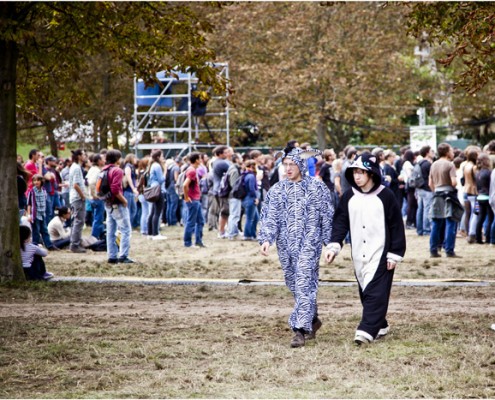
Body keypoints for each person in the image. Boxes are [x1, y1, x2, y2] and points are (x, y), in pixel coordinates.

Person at [325, 152, 406, 346]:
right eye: (355, 172)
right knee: (366, 290)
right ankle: (381, 324)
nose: (357, 176)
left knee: (375, 291)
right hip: (358, 255)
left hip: (381, 253)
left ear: (371, 173)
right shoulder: (348, 196)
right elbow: (340, 222)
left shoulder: (386, 196)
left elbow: (396, 226)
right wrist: (334, 246)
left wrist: (395, 254)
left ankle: (366, 330)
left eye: (362, 172)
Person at [259, 146, 334, 348]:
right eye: (285, 165)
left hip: (310, 241)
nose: (288, 168)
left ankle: (299, 330)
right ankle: (313, 318)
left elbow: (327, 216)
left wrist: (330, 243)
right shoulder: (277, 190)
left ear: (301, 165)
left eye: (292, 164)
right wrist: (266, 239)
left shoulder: (317, 188)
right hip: (285, 244)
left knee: (303, 280)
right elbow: (270, 216)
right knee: (295, 282)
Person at [429, 143, 463, 258]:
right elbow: (454, 182)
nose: (453, 153)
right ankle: (449, 250)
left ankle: (433, 250)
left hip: (437, 194)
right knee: (450, 223)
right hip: (449, 195)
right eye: (451, 151)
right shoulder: (450, 165)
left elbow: (430, 183)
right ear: (447, 152)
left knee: (436, 223)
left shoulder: (433, 164)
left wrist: (436, 191)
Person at [103, 149, 135, 264]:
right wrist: (124, 200)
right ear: (117, 159)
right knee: (126, 230)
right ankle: (123, 255)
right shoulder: (117, 170)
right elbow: (115, 189)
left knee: (111, 230)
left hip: (107, 203)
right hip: (117, 203)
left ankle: (112, 256)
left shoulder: (104, 169)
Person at [26, 174, 57, 251]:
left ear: (41, 181)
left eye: (38, 180)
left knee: (44, 230)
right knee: (36, 231)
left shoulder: (44, 191)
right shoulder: (32, 191)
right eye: (34, 180)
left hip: (42, 214)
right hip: (35, 214)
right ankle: (34, 245)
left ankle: (49, 245)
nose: (36, 182)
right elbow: (29, 204)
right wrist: (29, 214)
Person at [183, 152, 205, 248]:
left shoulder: (192, 170)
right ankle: (187, 243)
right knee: (191, 222)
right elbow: (185, 185)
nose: (201, 160)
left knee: (200, 221)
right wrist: (186, 197)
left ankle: (198, 241)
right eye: (200, 158)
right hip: (193, 200)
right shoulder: (192, 171)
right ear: (196, 160)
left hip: (196, 199)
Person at [69, 149, 88, 253]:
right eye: (84, 155)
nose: (85, 156)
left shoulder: (74, 167)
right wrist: (82, 196)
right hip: (77, 198)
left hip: (75, 198)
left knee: (76, 221)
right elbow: (76, 184)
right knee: (79, 221)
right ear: (79, 156)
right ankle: (75, 244)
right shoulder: (76, 168)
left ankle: (75, 242)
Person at [147, 150, 167, 240]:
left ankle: (150, 233)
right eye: (162, 156)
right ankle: (155, 233)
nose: (163, 158)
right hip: (158, 190)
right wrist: (165, 172)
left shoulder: (152, 165)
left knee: (152, 212)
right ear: (158, 157)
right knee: (157, 213)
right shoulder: (157, 166)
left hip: (153, 189)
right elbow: (161, 179)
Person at [415, 145, 435, 236]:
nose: (433, 153)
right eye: (431, 151)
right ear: (427, 152)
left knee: (420, 209)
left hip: (419, 188)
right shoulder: (428, 164)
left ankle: (420, 229)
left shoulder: (419, 163)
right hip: (427, 189)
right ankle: (426, 229)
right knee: (427, 209)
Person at [474, 153, 493, 244]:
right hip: (487, 196)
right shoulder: (489, 172)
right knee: (490, 218)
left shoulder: (478, 173)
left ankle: (478, 238)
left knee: (480, 218)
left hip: (480, 196)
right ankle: (488, 238)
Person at [86, 153, 106, 239]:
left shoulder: (92, 169)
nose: (104, 160)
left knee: (97, 217)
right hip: (97, 198)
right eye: (102, 159)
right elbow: (91, 183)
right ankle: (94, 237)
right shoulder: (96, 171)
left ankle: (100, 234)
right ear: (98, 161)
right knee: (98, 218)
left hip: (93, 198)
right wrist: (94, 195)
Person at [242, 160, 260, 241]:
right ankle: (247, 235)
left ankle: (253, 234)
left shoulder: (245, 175)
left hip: (247, 198)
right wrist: (255, 198)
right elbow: (252, 189)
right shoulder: (251, 176)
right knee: (250, 218)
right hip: (250, 198)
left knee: (256, 217)